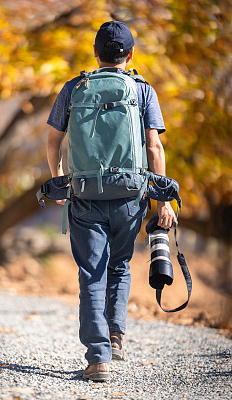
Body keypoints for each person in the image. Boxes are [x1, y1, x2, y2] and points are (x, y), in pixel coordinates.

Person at [46, 21, 177, 381]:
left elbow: (53, 139)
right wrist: (163, 200)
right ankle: (116, 336)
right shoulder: (143, 90)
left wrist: (60, 179)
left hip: (85, 194)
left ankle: (98, 358)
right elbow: (153, 146)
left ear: (95, 53)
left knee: (92, 274)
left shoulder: (74, 88)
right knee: (119, 266)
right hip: (130, 196)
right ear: (131, 54)